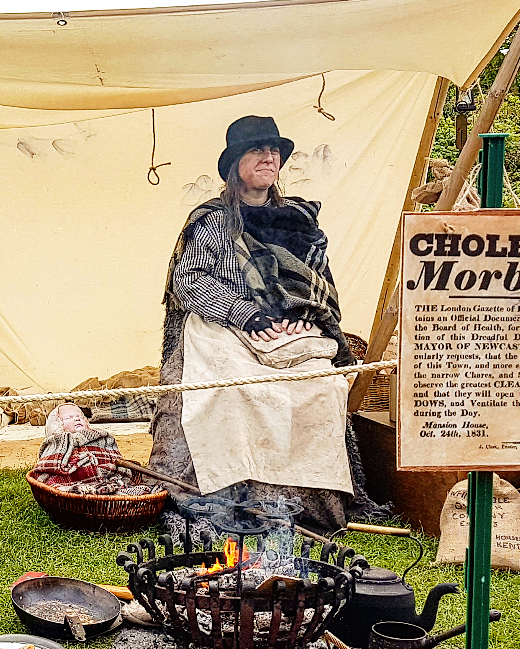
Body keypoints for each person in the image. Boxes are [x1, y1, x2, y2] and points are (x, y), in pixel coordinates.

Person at [148, 115, 366, 530]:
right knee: (229, 390)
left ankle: (303, 507)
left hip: (290, 330)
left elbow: (319, 281)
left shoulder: (299, 219)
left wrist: (304, 315)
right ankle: (228, 499)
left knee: (321, 388)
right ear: (236, 164)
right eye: (257, 150)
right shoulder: (212, 220)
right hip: (224, 324)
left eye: (274, 151)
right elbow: (189, 280)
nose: (269, 158)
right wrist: (244, 314)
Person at [32, 404, 138, 496]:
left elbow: (113, 457)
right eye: (69, 417)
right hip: (74, 480)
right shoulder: (58, 442)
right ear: (57, 425)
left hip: (106, 477)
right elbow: (50, 464)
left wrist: (111, 466)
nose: (77, 419)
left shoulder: (100, 437)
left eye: (80, 417)